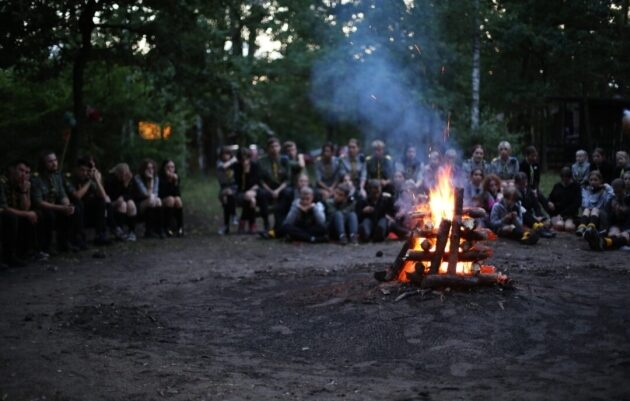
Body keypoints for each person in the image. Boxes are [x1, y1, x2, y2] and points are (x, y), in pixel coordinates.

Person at [31, 151, 76, 254]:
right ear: (43, 164)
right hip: (40, 209)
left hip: (54, 206)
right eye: (50, 161)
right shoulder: (36, 179)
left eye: (55, 160)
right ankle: (46, 246)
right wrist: (60, 208)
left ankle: (64, 243)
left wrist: (67, 205)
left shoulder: (57, 176)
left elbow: (62, 194)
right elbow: (39, 202)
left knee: (73, 210)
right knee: (49, 215)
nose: (54, 163)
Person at [64, 156, 110, 247]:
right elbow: (77, 196)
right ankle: (78, 238)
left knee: (101, 202)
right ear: (76, 169)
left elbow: (103, 197)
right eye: (82, 170)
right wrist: (89, 182)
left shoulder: (88, 180)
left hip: (86, 213)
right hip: (73, 213)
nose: (84, 173)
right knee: (78, 203)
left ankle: (100, 235)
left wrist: (97, 180)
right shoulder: (69, 179)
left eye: (86, 170)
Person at [0, 160, 38, 266]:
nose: (24, 174)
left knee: (31, 215)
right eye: (21, 170)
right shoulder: (2, 182)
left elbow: (25, 208)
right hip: (4, 214)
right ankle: (8, 257)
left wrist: (24, 191)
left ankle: (24, 253)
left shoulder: (21, 184)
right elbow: (4, 208)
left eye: (26, 172)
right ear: (12, 170)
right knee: (11, 217)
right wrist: (26, 213)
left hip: (10, 215)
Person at [258, 137, 292, 237]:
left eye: (276, 146)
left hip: (281, 188)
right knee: (261, 193)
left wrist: (278, 190)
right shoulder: (262, 161)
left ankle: (282, 222)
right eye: (272, 147)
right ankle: (266, 224)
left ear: (280, 147)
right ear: (268, 149)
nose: (274, 149)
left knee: (288, 192)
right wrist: (271, 191)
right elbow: (260, 180)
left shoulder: (285, 160)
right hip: (268, 188)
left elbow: (288, 179)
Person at [585, 178, 630, 251]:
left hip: (627, 227)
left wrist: (624, 211)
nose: (617, 194)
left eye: (619, 192)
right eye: (615, 192)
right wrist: (614, 212)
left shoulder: (628, 200)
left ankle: (603, 242)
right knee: (612, 234)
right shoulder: (612, 200)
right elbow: (609, 220)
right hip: (617, 225)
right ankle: (599, 240)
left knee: (624, 235)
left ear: (624, 189)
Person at [514, 172, 554, 238]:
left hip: (530, 214)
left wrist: (539, 215)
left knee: (545, 221)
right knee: (526, 216)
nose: (523, 186)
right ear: (516, 184)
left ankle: (543, 228)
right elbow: (519, 208)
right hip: (521, 216)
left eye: (524, 183)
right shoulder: (514, 193)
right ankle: (541, 230)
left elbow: (536, 205)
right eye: (521, 184)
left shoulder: (529, 191)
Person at [575, 170, 614, 237]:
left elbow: (611, 194)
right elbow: (585, 204)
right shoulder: (587, 190)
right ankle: (582, 227)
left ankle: (591, 227)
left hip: (600, 215)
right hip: (589, 215)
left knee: (595, 209)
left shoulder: (604, 192)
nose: (593, 182)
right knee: (587, 209)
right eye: (591, 180)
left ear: (600, 181)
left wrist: (605, 186)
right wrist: (588, 191)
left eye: (596, 180)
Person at [105, 163, 137, 241]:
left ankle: (132, 231)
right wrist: (124, 187)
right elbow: (111, 195)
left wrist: (126, 185)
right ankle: (119, 232)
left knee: (131, 204)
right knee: (122, 205)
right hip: (112, 204)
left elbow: (132, 194)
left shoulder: (130, 179)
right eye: (121, 174)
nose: (124, 176)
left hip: (124, 201)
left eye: (126, 174)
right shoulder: (110, 180)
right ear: (117, 173)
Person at [132, 159, 163, 238]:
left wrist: (152, 180)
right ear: (143, 169)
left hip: (151, 202)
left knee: (158, 201)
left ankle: (158, 230)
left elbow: (156, 193)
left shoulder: (156, 177)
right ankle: (149, 231)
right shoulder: (137, 178)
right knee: (151, 200)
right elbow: (145, 193)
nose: (151, 170)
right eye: (148, 168)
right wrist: (150, 181)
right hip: (138, 205)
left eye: (152, 168)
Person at [233, 149, 260, 234]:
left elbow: (256, 182)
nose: (245, 161)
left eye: (247, 158)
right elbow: (238, 184)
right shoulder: (237, 167)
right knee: (248, 200)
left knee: (248, 198)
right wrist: (244, 172)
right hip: (240, 192)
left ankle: (242, 222)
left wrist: (251, 195)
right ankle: (252, 223)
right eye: (242, 159)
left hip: (253, 190)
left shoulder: (255, 166)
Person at [547, 167, 581, 232]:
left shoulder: (576, 187)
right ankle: (555, 224)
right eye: (563, 178)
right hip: (557, 213)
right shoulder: (557, 186)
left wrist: (562, 214)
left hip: (569, 214)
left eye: (566, 179)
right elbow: (550, 197)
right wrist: (549, 202)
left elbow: (577, 203)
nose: (564, 180)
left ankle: (575, 224)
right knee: (559, 225)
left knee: (569, 228)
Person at [158, 159, 184, 237]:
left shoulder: (176, 178)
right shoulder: (160, 178)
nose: (170, 169)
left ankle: (180, 228)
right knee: (170, 199)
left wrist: (175, 182)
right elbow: (162, 194)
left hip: (172, 201)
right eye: (168, 167)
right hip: (161, 200)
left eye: (172, 167)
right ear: (164, 168)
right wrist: (169, 181)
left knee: (178, 200)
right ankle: (167, 228)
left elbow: (178, 194)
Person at [216, 146, 237, 235]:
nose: (226, 156)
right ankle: (233, 215)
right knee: (225, 197)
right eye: (224, 154)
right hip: (224, 187)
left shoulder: (235, 164)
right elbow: (224, 167)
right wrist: (233, 160)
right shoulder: (219, 163)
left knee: (226, 198)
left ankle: (227, 224)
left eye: (228, 154)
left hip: (234, 187)